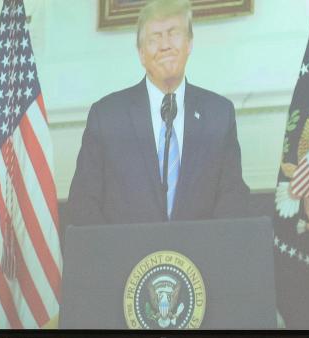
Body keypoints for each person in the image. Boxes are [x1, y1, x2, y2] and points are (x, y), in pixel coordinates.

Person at [63, 0, 250, 227]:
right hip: (126, 259)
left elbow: (232, 202)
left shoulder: (219, 115)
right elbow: (84, 206)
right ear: (141, 53)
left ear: (189, 43)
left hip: (199, 259)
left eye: (173, 34)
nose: (165, 45)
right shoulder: (107, 117)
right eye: (154, 38)